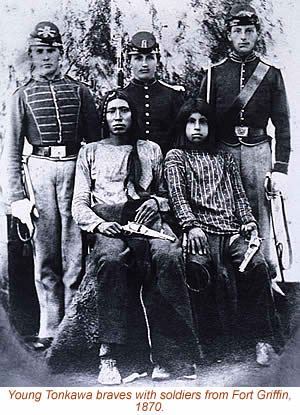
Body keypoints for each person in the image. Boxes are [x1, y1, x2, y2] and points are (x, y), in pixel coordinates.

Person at [70, 89, 198, 384]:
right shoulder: (90, 151)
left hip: (148, 220)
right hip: (110, 224)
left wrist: (155, 203)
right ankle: (112, 357)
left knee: (169, 255)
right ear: (104, 116)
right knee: (111, 261)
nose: (118, 117)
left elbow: (167, 195)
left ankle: (172, 357)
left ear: (133, 115)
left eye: (124, 110)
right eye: (112, 111)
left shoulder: (151, 149)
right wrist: (100, 225)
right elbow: (79, 204)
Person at [3, 21, 100, 349]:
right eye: (39, 52)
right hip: (40, 171)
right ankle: (49, 326)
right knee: (45, 254)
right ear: (32, 55)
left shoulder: (80, 92)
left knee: (75, 253)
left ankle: (74, 327)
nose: (46, 58)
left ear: (62, 53)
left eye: (51, 51)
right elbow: (12, 151)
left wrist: (96, 187)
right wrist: (17, 197)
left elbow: (96, 145)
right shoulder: (22, 96)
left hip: (76, 170)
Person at [164, 98, 281, 366]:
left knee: (257, 266)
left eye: (202, 122)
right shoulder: (176, 157)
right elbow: (178, 198)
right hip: (199, 233)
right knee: (199, 270)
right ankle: (208, 343)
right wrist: (191, 226)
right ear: (182, 126)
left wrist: (249, 222)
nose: (196, 128)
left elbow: (239, 196)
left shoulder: (224, 158)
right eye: (191, 122)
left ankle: (261, 339)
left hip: (231, 232)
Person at [199, 4, 291, 277]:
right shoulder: (214, 73)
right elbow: (202, 117)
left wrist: (280, 167)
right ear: (228, 35)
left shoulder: (271, 74)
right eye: (237, 31)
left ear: (257, 34)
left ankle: (263, 275)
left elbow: (282, 123)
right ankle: (229, 275)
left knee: (259, 212)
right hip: (223, 150)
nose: (243, 37)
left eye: (248, 31)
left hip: (258, 152)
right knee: (223, 211)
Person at [123, 31, 184, 156]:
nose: (144, 64)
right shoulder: (121, 97)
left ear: (157, 61)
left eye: (150, 58)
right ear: (129, 62)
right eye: (138, 58)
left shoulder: (173, 96)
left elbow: (181, 135)